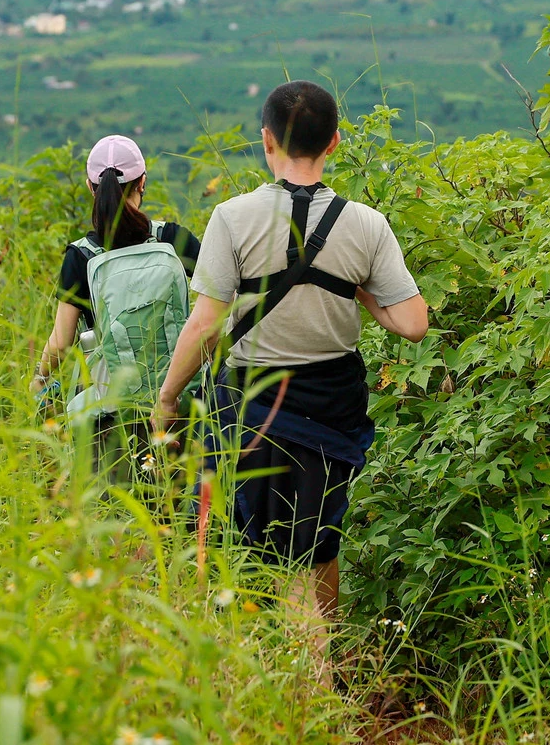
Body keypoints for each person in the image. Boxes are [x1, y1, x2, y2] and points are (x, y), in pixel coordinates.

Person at [151, 80, 428, 664]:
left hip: (257, 409)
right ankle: (335, 671)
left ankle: (307, 698)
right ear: (333, 142)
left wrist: (168, 397)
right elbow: (412, 324)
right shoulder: (367, 225)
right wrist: (363, 295)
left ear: (267, 140)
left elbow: (204, 327)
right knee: (318, 544)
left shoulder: (232, 219)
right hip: (335, 410)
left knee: (272, 564)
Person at [35, 135, 200, 431]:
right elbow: (220, 295)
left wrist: (39, 379)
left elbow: (61, 343)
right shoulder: (173, 239)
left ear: (90, 187)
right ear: (142, 183)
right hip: (182, 399)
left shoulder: (81, 256)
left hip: (111, 409)